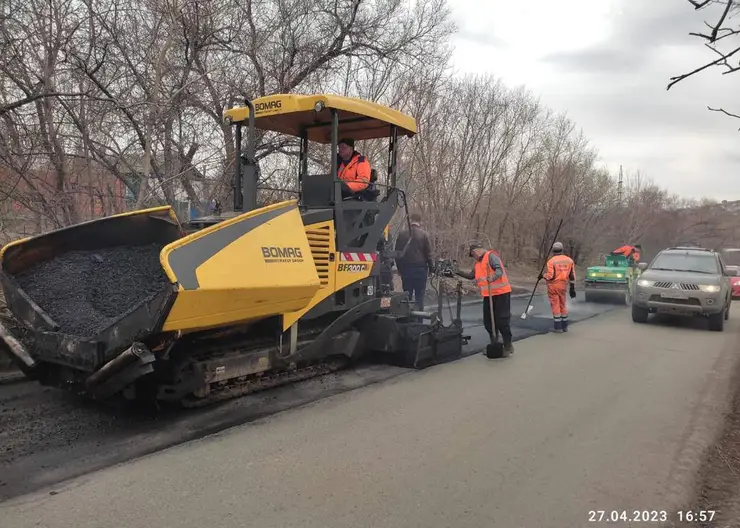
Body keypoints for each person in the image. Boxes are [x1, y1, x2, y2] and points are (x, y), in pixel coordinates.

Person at [455, 243, 514, 354]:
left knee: (501, 320)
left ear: (477, 251)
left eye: (473, 254)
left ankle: (508, 345)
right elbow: (471, 276)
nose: (473, 257)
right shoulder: (477, 264)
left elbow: (499, 270)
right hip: (488, 295)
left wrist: (492, 278)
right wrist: (457, 272)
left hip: (501, 293)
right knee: (488, 322)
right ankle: (494, 345)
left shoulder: (491, 256)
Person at [394, 213, 434, 311]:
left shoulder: (402, 234)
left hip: (406, 269)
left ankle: (407, 319)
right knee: (419, 296)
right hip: (420, 269)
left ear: (410, 220)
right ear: (420, 222)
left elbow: (397, 254)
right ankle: (419, 321)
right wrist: (431, 268)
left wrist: (399, 269)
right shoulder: (424, 235)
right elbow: (429, 254)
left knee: (407, 296)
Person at [540, 241, 576, 333]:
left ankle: (558, 327)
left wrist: (543, 276)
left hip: (553, 285)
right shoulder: (569, 260)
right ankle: (565, 326)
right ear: (562, 250)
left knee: (555, 305)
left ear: (553, 250)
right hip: (563, 285)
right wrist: (572, 287)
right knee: (562, 305)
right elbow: (572, 275)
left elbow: (551, 276)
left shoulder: (551, 261)